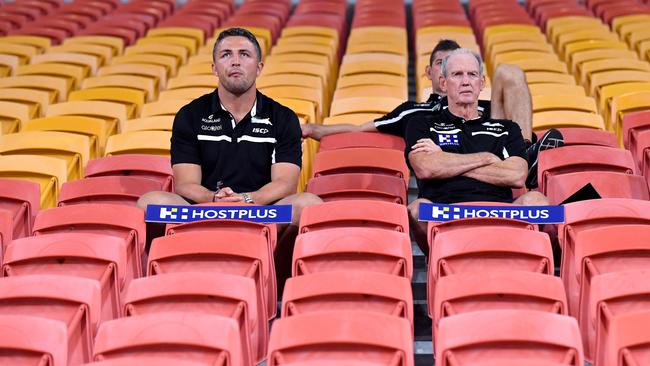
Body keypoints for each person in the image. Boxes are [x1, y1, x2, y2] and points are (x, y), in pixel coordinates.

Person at [137, 28, 322, 276]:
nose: (235, 61)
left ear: (259, 67)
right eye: (226, 55)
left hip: (261, 212)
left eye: (244, 54)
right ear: (214, 67)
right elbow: (185, 184)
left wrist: (246, 201)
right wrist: (214, 200)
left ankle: (277, 280)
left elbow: (285, 184)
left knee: (309, 205)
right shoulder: (190, 115)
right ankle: (176, 275)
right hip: (204, 213)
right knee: (149, 202)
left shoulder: (283, 118)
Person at [301, 39, 562, 188]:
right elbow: (359, 129)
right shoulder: (414, 113)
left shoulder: (478, 101)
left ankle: (526, 151)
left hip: (489, 133)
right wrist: (312, 129)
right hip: (459, 172)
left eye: (464, 69)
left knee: (510, 72)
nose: (452, 71)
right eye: (443, 64)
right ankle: (525, 160)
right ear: (432, 73)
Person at [405, 48, 552, 253]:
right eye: (457, 74)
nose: (466, 81)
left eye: (472, 74)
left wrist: (445, 159)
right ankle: (439, 259)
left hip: (500, 211)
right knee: (418, 209)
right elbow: (426, 168)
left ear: (481, 83)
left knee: (538, 201)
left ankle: (528, 262)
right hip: (446, 211)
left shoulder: (506, 128)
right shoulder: (421, 124)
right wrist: (489, 158)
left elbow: (517, 175)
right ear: (444, 83)